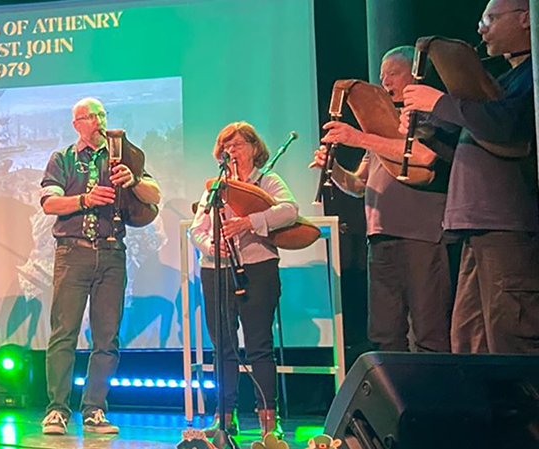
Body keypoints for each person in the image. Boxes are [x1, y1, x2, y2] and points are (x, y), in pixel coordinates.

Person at [402, 0, 539, 354]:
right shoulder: (505, 79)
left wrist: (440, 104)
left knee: (510, 336)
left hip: (507, 223)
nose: (481, 28)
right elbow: (474, 142)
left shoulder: (531, 76)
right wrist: (429, 130)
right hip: (478, 225)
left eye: (490, 18)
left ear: (526, 19)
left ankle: (521, 410)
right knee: (469, 339)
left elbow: (507, 128)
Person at [309, 46, 455, 354]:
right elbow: (359, 185)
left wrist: (357, 137)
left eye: (393, 73)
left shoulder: (428, 118)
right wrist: (332, 169)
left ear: (415, 75)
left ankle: (434, 400)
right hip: (379, 239)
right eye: (381, 75)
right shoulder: (383, 129)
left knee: (429, 331)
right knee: (384, 333)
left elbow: (425, 156)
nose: (385, 81)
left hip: (421, 236)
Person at [39, 97, 161, 435]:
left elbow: (155, 195)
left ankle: (94, 408)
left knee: (107, 337)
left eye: (103, 115)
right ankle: (57, 409)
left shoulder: (123, 157)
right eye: (92, 117)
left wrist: (134, 180)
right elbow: (49, 203)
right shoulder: (62, 158)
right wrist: (85, 200)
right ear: (77, 124)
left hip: (111, 253)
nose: (100, 121)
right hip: (72, 252)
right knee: (63, 333)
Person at [190, 121, 298, 438]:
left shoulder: (267, 181)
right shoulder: (215, 186)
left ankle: (268, 420)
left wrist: (249, 222)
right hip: (216, 270)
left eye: (237, 144)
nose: (231, 151)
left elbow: (290, 211)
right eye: (226, 146)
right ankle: (223, 417)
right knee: (223, 347)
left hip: (257, 268)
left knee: (259, 346)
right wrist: (212, 245)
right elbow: (196, 228)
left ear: (253, 147)